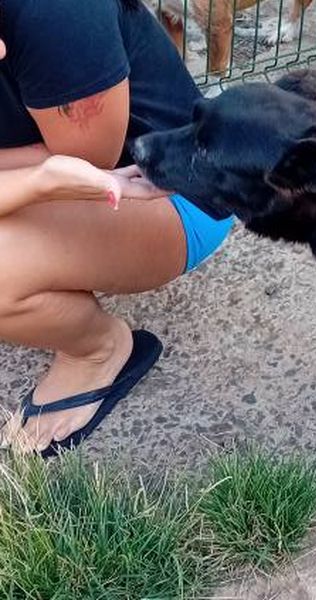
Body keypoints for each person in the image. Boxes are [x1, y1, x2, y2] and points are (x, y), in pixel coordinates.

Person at [0, 0, 234, 455]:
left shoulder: (58, 11)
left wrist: (34, 183)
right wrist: (33, 182)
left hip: (165, 192)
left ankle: (97, 351)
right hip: (69, 180)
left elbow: (87, 164)